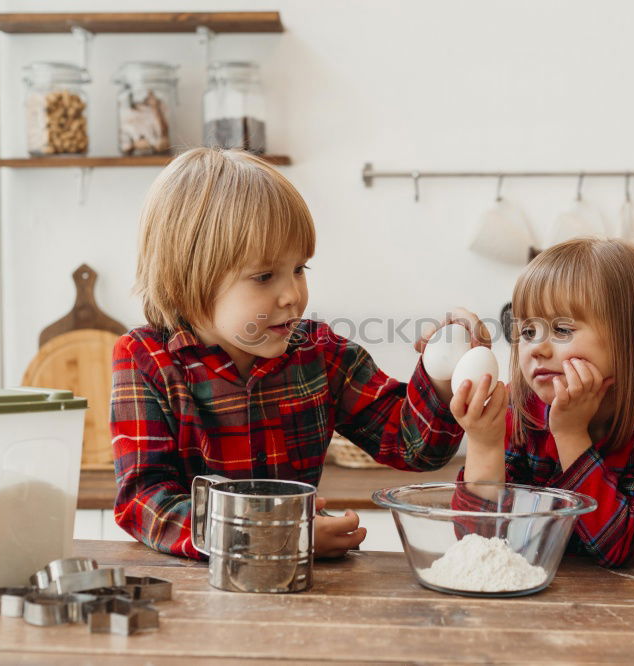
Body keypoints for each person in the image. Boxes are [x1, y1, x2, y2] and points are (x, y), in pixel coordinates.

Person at [111, 148, 485, 559]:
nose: (292, 294)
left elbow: (416, 448)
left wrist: (443, 377)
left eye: (299, 269)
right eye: (264, 276)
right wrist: (278, 535)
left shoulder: (319, 354)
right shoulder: (145, 359)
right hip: (193, 597)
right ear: (186, 281)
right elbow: (147, 502)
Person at [451, 238, 634, 567]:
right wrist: (483, 442)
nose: (536, 348)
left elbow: (624, 547)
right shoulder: (518, 411)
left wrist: (570, 434)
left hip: (632, 605)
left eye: (562, 329)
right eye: (527, 332)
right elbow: (477, 542)